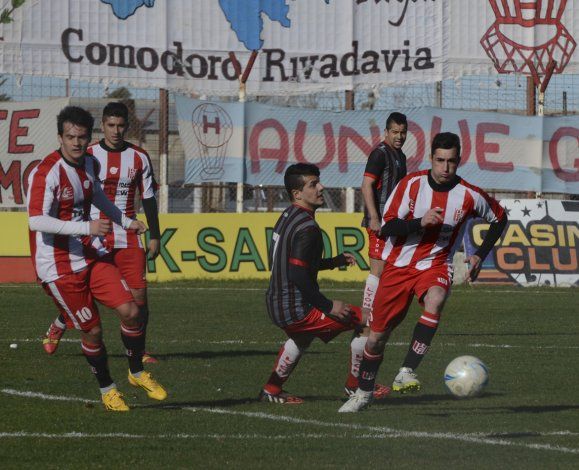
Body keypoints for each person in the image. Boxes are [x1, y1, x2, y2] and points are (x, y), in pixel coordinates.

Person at [339, 132, 507, 412]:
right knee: (376, 338)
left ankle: (406, 370)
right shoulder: (411, 185)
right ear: (431, 159)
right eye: (440, 160)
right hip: (398, 268)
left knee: (437, 298)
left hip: (435, 264)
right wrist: (419, 222)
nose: (445, 167)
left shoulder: (469, 194)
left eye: (451, 161)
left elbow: (500, 218)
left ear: (459, 160)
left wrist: (479, 254)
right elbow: (386, 227)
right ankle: (363, 392)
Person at [27, 106, 167, 411]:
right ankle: (107, 390)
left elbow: (98, 197)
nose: (76, 143)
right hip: (58, 265)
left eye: (81, 137)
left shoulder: (89, 162)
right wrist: (86, 226)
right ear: (60, 137)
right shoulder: (46, 172)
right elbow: (35, 220)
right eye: (70, 137)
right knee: (92, 331)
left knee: (132, 310)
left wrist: (126, 221)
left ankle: (137, 372)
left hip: (89, 253)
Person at [259, 163, 389, 404]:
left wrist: (332, 262)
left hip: (276, 303)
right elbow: (297, 274)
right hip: (296, 309)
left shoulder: (288, 215)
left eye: (318, 181)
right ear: (297, 194)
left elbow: (292, 264)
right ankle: (355, 387)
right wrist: (328, 306)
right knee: (368, 321)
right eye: (313, 184)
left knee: (301, 339)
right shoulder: (308, 228)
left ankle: (271, 389)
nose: (321, 187)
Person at [356, 112, 408, 391]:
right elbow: (366, 185)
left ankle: (373, 314)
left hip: (393, 225)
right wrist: (374, 217)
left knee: (387, 271)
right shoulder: (379, 154)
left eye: (403, 132)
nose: (399, 136)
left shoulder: (399, 155)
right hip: (380, 224)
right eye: (395, 132)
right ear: (386, 132)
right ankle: (368, 316)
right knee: (377, 270)